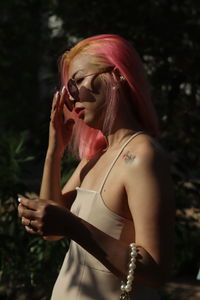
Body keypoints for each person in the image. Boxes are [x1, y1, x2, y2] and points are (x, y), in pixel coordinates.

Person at [18, 34, 174, 299]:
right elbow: (51, 233)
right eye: (67, 90)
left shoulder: (141, 156)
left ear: (117, 76)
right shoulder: (94, 159)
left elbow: (156, 271)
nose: (71, 98)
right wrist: (54, 150)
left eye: (77, 82)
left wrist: (73, 227)